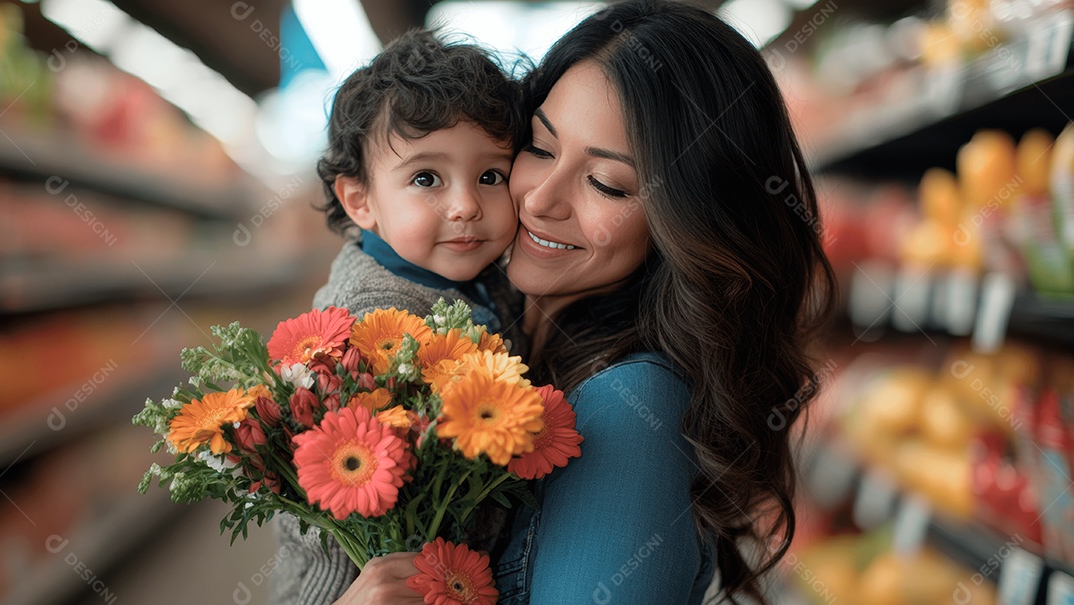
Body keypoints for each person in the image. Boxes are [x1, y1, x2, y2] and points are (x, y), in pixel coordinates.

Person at [335, 1, 837, 604]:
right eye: (539, 148)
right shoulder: (480, 316)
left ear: (687, 223)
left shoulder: (630, 408)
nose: (539, 199)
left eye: (607, 184)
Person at [270, 29, 524, 605]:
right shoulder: (366, 326)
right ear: (360, 201)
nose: (466, 205)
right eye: (426, 178)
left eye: (491, 176)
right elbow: (323, 516)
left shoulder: (475, 279)